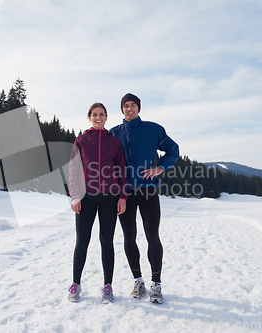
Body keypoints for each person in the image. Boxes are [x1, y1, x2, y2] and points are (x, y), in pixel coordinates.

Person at [109, 93, 179, 304]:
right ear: (122, 109)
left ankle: (156, 284)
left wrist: (159, 168)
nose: (129, 109)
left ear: (138, 108)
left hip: (148, 190)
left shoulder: (153, 129)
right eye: (126, 106)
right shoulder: (114, 134)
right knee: (129, 237)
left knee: (152, 235)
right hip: (125, 194)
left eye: (133, 106)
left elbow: (173, 150)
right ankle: (138, 281)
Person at [67, 102, 127, 304]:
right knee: (82, 241)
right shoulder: (81, 140)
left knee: (107, 241)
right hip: (86, 197)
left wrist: (122, 197)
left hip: (110, 197)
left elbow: (121, 171)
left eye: (102, 114)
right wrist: (74, 195)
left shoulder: (114, 142)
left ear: (107, 117)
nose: (98, 117)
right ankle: (76, 283)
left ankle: (108, 285)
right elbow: (74, 170)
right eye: (95, 114)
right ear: (89, 117)